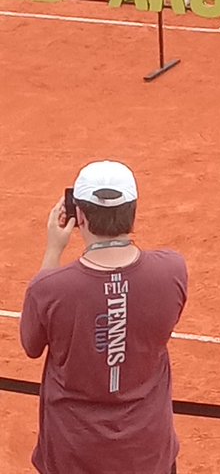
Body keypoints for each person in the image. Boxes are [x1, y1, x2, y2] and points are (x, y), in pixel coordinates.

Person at [20, 160, 188, 474]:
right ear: (133, 212)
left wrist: (53, 252)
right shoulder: (172, 270)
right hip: (148, 456)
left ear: (78, 215)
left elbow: (31, 343)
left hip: (72, 457)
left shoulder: (50, 287)